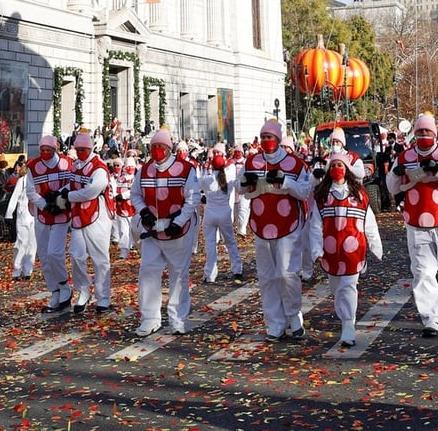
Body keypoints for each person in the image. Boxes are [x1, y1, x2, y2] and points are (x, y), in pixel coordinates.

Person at [385, 112, 438, 337]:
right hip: (416, 222)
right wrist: (397, 174)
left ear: (435, 132)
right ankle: (431, 319)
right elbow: (391, 187)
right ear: (414, 132)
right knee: (422, 272)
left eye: (427, 131)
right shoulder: (404, 156)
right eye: (420, 131)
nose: (423, 135)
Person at [241, 119, 312, 341]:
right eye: (263, 137)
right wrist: (246, 181)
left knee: (286, 273)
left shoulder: (295, 163)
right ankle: (274, 323)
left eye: (269, 137)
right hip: (261, 225)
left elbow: (305, 191)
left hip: (287, 225)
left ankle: (293, 316)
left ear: (278, 139)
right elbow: (240, 188)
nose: (265, 141)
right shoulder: (252, 161)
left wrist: (286, 182)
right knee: (267, 276)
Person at [308, 151, 382, 347]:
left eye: (340, 165)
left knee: (349, 286)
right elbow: (315, 226)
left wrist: (376, 245)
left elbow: (369, 222)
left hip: (354, 251)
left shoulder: (359, 195)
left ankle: (348, 326)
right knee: (337, 289)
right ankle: (346, 317)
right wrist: (316, 249)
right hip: (331, 252)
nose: (336, 169)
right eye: (332, 166)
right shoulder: (321, 197)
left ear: (347, 169)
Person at [130, 127, 200, 336]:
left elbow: (193, 198)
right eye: (154, 147)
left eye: (161, 146)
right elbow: (135, 194)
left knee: (178, 274)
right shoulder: (144, 170)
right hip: (152, 231)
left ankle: (177, 319)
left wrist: (178, 221)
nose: (157, 150)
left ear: (169, 149)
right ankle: (150, 318)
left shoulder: (186, 169)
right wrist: (144, 212)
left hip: (177, 231)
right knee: (148, 272)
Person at [63, 129, 115, 315]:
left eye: (83, 149)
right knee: (76, 255)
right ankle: (83, 291)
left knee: (100, 258)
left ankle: (103, 297)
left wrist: (67, 196)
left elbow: (90, 191)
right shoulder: (76, 165)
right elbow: (72, 183)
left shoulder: (99, 167)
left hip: (98, 216)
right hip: (78, 215)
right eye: (78, 149)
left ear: (91, 148)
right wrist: (63, 192)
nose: (80, 153)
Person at [26, 133, 73, 313]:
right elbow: (30, 191)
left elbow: (71, 183)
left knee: (55, 253)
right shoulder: (33, 166)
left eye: (49, 150)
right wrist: (45, 205)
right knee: (44, 256)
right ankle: (54, 291)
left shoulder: (66, 163)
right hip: (42, 214)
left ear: (55, 149)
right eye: (42, 150)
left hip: (61, 213)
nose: (45, 152)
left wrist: (58, 196)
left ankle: (64, 287)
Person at [198, 143, 243, 284]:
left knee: (210, 244)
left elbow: (193, 183)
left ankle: (210, 274)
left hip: (210, 213)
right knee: (230, 242)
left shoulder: (206, 180)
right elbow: (239, 185)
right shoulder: (229, 178)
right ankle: (237, 270)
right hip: (224, 213)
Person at [4, 166, 35, 280]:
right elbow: (15, 197)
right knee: (22, 242)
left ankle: (28, 270)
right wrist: (9, 213)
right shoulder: (22, 181)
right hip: (23, 214)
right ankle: (17, 270)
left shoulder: (39, 179)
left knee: (32, 243)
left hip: (35, 215)